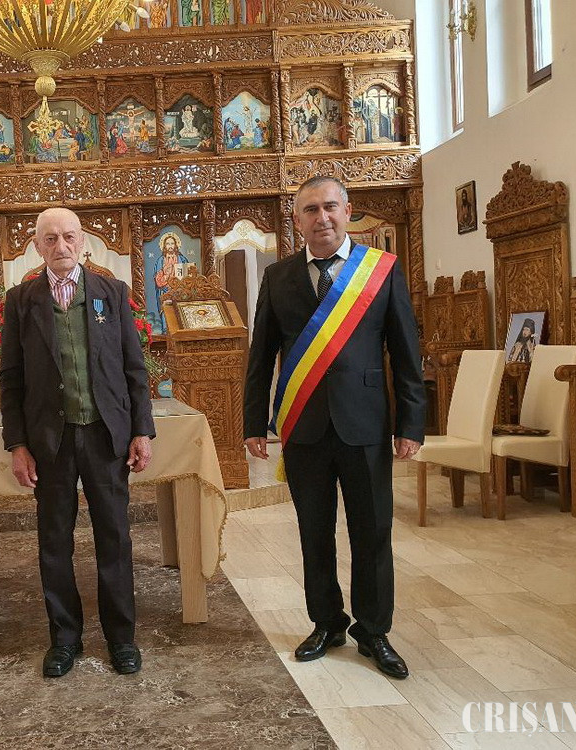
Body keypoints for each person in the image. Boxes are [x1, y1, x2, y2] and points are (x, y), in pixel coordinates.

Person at [243, 176, 425, 680]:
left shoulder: (380, 270)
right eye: (310, 210)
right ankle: (326, 623)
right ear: (296, 220)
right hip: (303, 426)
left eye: (329, 207)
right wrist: (254, 421)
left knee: (373, 531)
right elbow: (261, 356)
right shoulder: (278, 276)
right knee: (314, 531)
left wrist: (411, 423)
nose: (321, 218)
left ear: (348, 210)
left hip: (365, 424)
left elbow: (405, 352)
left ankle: (374, 630)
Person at [0, 207, 155, 679]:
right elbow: (11, 378)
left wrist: (141, 430)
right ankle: (64, 639)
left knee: (114, 538)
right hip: (50, 441)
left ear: (83, 241)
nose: (61, 246)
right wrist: (18, 444)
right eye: (50, 238)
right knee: (54, 541)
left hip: (106, 435)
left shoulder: (112, 292)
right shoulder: (21, 300)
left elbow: (134, 368)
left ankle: (121, 638)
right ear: (37, 245)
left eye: (69, 236)